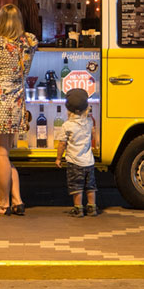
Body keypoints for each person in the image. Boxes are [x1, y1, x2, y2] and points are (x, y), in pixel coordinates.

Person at [0, 4, 38, 215]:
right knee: (6, 154)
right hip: (16, 102)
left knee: (0, 153)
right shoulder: (29, 42)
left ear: (0, 21)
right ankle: (17, 200)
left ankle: (3, 204)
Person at [55, 88, 98, 217]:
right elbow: (93, 136)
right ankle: (92, 207)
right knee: (90, 187)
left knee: (76, 187)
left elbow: (62, 144)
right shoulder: (89, 122)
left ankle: (78, 208)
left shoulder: (67, 126)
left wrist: (58, 158)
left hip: (74, 162)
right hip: (89, 162)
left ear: (68, 109)